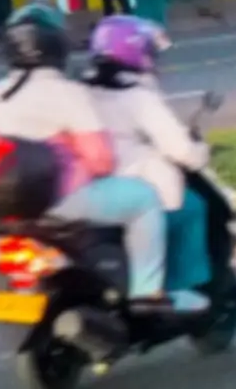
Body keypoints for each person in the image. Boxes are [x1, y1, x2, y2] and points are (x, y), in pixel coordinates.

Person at [0, 5, 171, 309]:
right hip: (65, 201)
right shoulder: (68, 93)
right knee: (145, 200)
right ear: (57, 46)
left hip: (8, 210)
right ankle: (146, 291)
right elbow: (101, 160)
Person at [83, 16, 212, 312]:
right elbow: (180, 148)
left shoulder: (82, 91)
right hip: (135, 187)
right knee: (192, 208)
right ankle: (178, 288)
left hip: (85, 190)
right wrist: (201, 152)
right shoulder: (138, 97)